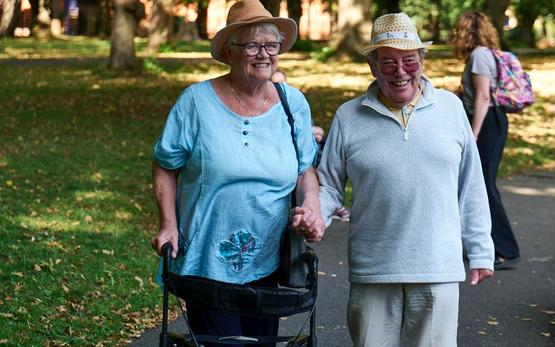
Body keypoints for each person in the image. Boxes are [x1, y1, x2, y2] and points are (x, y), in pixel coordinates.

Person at [300, 13, 495, 346]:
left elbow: (471, 184)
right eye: (388, 62)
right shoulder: (350, 115)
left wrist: (480, 250)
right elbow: (330, 185)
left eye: (409, 60)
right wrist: (315, 215)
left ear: (421, 60)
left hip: (437, 266)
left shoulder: (450, 108)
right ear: (373, 67)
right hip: (374, 268)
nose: (400, 71)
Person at [150, 0, 324, 343]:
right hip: (204, 258)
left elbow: (305, 169)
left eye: (271, 45)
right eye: (252, 45)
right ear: (230, 51)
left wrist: (313, 203)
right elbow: (164, 165)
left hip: (270, 262)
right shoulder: (196, 102)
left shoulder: (293, 103)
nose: (264, 54)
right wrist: (168, 224)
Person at [452, 11, 520, 270]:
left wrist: (473, 133)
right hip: (489, 120)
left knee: (485, 187)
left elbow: (483, 98)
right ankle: (488, 245)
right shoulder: (482, 54)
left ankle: (506, 249)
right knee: (479, 185)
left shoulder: (480, 55)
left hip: (487, 123)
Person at [271, 69, 351, 222]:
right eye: (275, 83)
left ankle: (325, 206)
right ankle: (327, 207)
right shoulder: (268, 110)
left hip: (308, 157)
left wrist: (313, 134)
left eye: (282, 82)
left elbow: (314, 131)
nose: (279, 86)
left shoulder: (294, 105)